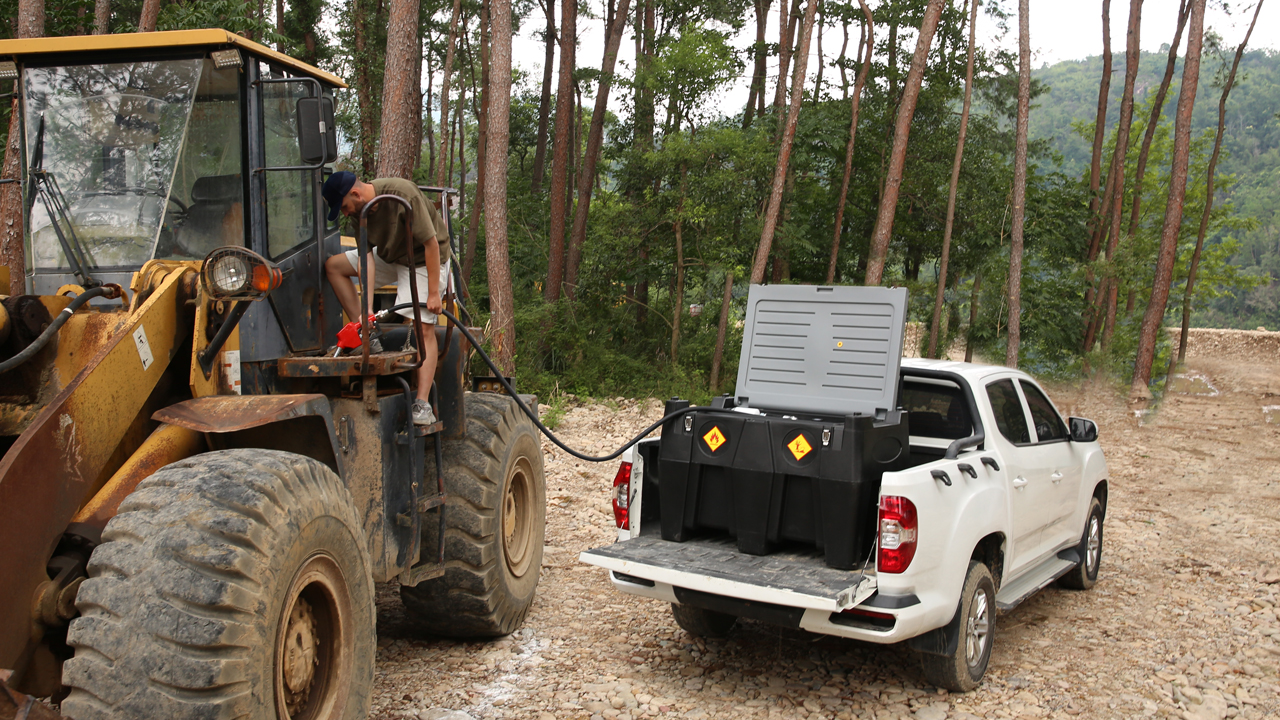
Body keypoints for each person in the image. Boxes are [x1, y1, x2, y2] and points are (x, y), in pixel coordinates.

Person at [322, 171, 450, 426]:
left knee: (423, 328)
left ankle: (423, 404)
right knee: (334, 266)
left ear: (356, 194)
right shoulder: (359, 212)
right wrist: (366, 309)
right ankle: (364, 332)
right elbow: (365, 259)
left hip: (424, 260)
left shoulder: (403, 194)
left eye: (344, 207)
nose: (345, 213)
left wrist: (434, 293)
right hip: (392, 257)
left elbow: (431, 244)